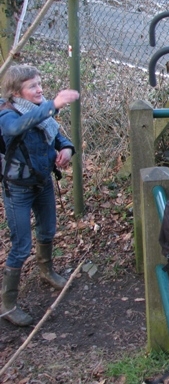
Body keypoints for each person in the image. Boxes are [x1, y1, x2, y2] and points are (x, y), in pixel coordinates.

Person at [0, 65, 78, 327]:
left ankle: (46, 271)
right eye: (32, 86)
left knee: (47, 231)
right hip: (17, 190)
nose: (40, 89)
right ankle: (8, 305)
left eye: (40, 83)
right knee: (21, 246)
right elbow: (19, 127)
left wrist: (67, 149)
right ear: (15, 91)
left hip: (42, 183)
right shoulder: (7, 115)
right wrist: (53, 104)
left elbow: (56, 135)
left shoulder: (42, 111)